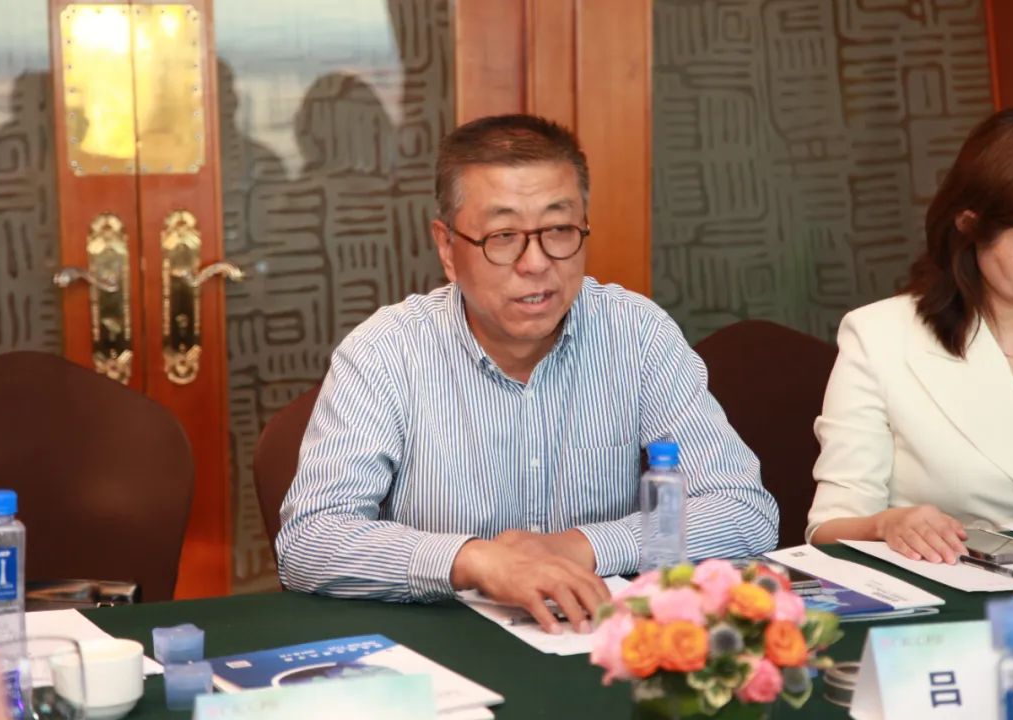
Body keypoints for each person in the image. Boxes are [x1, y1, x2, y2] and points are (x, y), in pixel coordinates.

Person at [277, 114, 778, 632]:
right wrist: (476, 561)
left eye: (559, 230)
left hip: (600, 642)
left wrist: (580, 547)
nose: (536, 263)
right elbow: (309, 540)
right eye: (503, 236)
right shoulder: (386, 353)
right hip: (447, 647)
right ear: (447, 248)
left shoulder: (637, 335)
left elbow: (744, 511)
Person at [807, 106, 1013, 563]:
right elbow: (828, 527)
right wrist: (885, 524)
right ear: (971, 225)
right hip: (964, 587)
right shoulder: (880, 337)